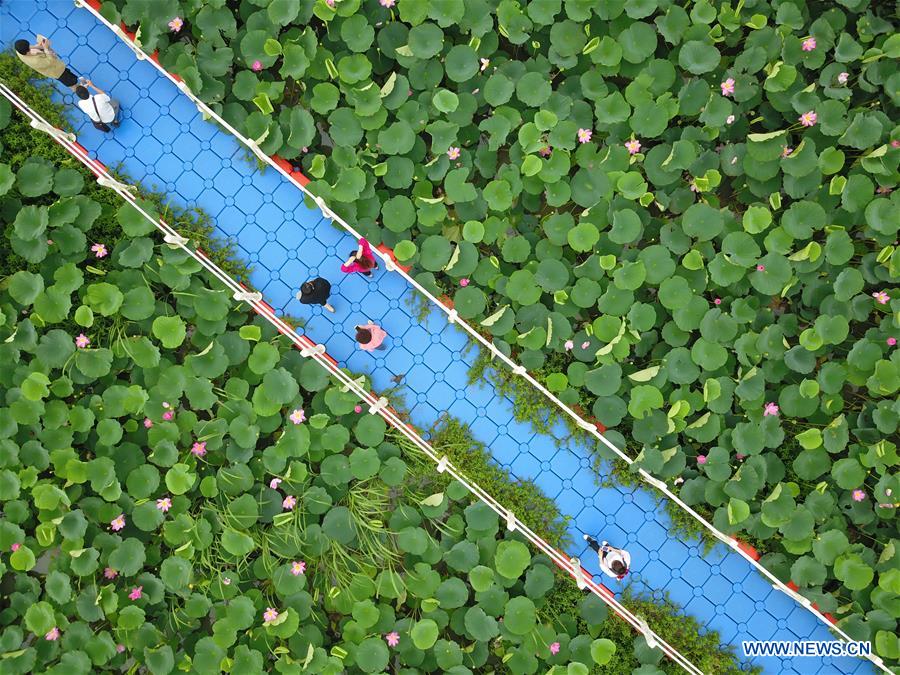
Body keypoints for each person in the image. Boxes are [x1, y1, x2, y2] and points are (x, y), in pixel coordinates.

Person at [14, 35, 79, 89]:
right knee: (71, 82)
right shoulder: (35, 61)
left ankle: (78, 85)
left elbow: (29, 47)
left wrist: (38, 46)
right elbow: (50, 61)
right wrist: (45, 48)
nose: (30, 46)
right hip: (57, 71)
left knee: (68, 73)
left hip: (58, 66)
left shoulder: (19, 50)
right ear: (27, 51)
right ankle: (78, 90)